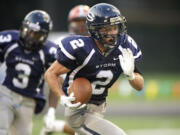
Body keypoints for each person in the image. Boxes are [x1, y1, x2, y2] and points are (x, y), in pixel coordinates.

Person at [45, 3, 144, 135]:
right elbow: (51, 73)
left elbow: (140, 86)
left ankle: (55, 127)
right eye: (106, 29)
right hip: (78, 109)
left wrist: (131, 75)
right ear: (94, 30)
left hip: (99, 108)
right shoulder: (81, 48)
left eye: (114, 27)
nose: (112, 33)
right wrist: (62, 97)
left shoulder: (123, 47)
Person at [0, 10, 58, 135]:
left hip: (29, 100)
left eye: (36, 35)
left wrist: (51, 111)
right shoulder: (9, 40)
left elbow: (56, 81)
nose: (31, 36)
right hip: (6, 94)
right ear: (23, 27)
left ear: (45, 36)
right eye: (29, 31)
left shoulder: (49, 52)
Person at [40, 5, 90, 135]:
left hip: (91, 92)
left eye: (84, 22)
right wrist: (51, 111)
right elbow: (54, 77)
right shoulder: (63, 43)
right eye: (78, 22)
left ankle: (56, 126)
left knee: (86, 130)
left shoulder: (98, 44)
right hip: (69, 92)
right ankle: (53, 123)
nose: (81, 26)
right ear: (71, 24)